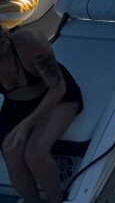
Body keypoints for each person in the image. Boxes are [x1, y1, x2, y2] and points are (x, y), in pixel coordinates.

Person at [0, 24, 82, 203]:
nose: (2, 46)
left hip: (57, 97)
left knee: (35, 153)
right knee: (10, 151)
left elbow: (58, 88)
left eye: (2, 39)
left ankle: (56, 200)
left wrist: (25, 125)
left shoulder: (31, 42)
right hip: (16, 105)